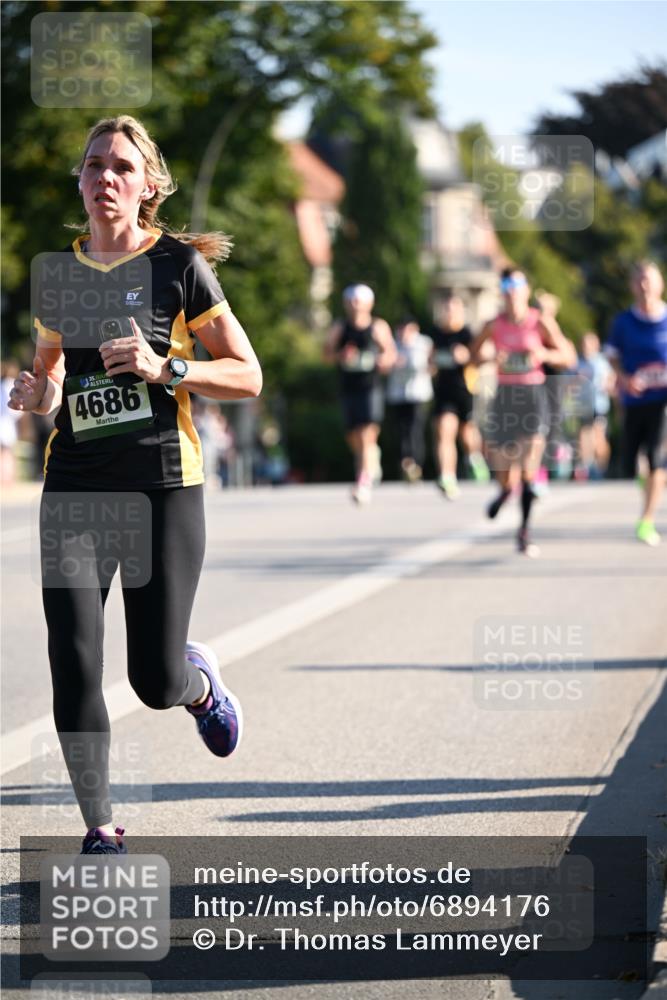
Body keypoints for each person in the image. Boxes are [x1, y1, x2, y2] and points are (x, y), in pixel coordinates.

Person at [8, 115, 262, 854]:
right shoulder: (57, 275)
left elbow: (247, 374)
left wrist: (166, 367)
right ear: (80, 183)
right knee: (73, 657)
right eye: (93, 166)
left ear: (147, 184)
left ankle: (201, 686)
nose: (105, 178)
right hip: (76, 487)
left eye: (121, 166)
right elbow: (53, 376)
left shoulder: (177, 267)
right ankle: (99, 825)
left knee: (153, 680)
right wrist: (36, 395)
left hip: (161, 486)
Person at [472, 268, 575, 556]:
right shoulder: (493, 325)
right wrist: (491, 356)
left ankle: (524, 531)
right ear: (501, 291)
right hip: (506, 396)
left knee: (529, 466)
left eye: (517, 284)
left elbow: (568, 355)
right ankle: (505, 491)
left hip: (533, 395)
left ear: (526, 290)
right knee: (505, 468)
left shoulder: (539, 322)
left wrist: (543, 354)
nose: (512, 290)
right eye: (506, 285)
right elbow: (473, 356)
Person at [604, 260, 667, 546]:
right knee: (635, 462)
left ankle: (646, 520)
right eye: (640, 281)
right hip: (635, 399)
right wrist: (624, 378)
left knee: (655, 457)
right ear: (632, 286)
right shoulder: (623, 322)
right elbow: (611, 355)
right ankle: (651, 485)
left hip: (663, 400)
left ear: (660, 284)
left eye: (650, 280)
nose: (645, 286)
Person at [324, 284, 396, 504]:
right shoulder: (340, 327)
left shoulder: (377, 327)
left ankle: (362, 481)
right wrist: (340, 356)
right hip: (348, 386)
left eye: (360, 301)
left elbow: (391, 354)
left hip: (370, 387)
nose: (355, 305)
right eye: (352, 301)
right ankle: (371, 459)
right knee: (354, 437)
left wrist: (383, 360)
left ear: (369, 304)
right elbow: (326, 355)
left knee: (366, 433)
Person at [430, 295, 489, 499]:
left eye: (453, 310)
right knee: (445, 431)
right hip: (443, 391)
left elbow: (482, 358)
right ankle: (447, 476)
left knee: (466, 433)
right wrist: (432, 362)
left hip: (465, 390)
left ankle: (474, 456)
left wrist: (466, 356)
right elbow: (429, 362)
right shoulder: (436, 333)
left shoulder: (467, 334)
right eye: (446, 309)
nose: (449, 313)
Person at [386, 318, 433, 482]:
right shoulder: (392, 345)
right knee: (401, 431)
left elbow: (431, 366)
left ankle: (416, 464)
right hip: (398, 395)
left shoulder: (424, 344)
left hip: (418, 394)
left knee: (415, 430)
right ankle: (405, 463)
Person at [574, 332, 615, 480]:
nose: (585, 347)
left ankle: (600, 467)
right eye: (583, 344)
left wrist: (607, 385)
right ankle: (585, 466)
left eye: (588, 344)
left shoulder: (601, 362)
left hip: (599, 404)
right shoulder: (577, 362)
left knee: (598, 435)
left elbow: (611, 377)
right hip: (583, 404)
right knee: (583, 435)